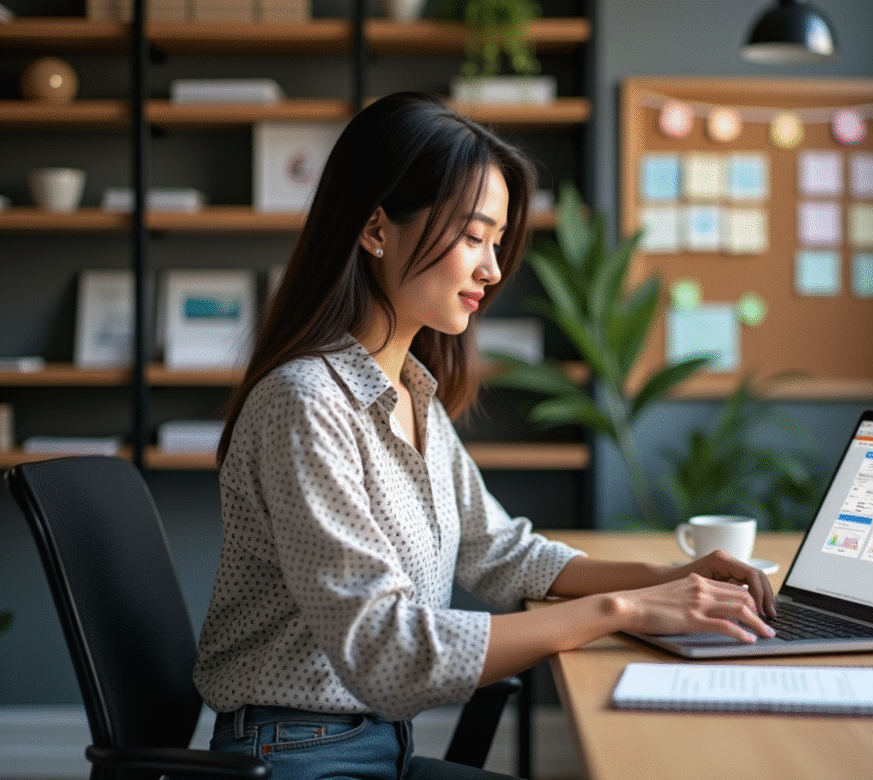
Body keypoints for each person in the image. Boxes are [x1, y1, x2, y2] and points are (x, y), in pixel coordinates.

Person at [193, 92, 776, 780]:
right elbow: (390, 654)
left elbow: (501, 553)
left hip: (376, 749)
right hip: (294, 759)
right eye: (474, 237)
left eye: (496, 243)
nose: (493, 271)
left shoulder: (410, 392)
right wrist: (625, 609)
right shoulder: (306, 404)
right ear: (377, 229)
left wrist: (671, 576)